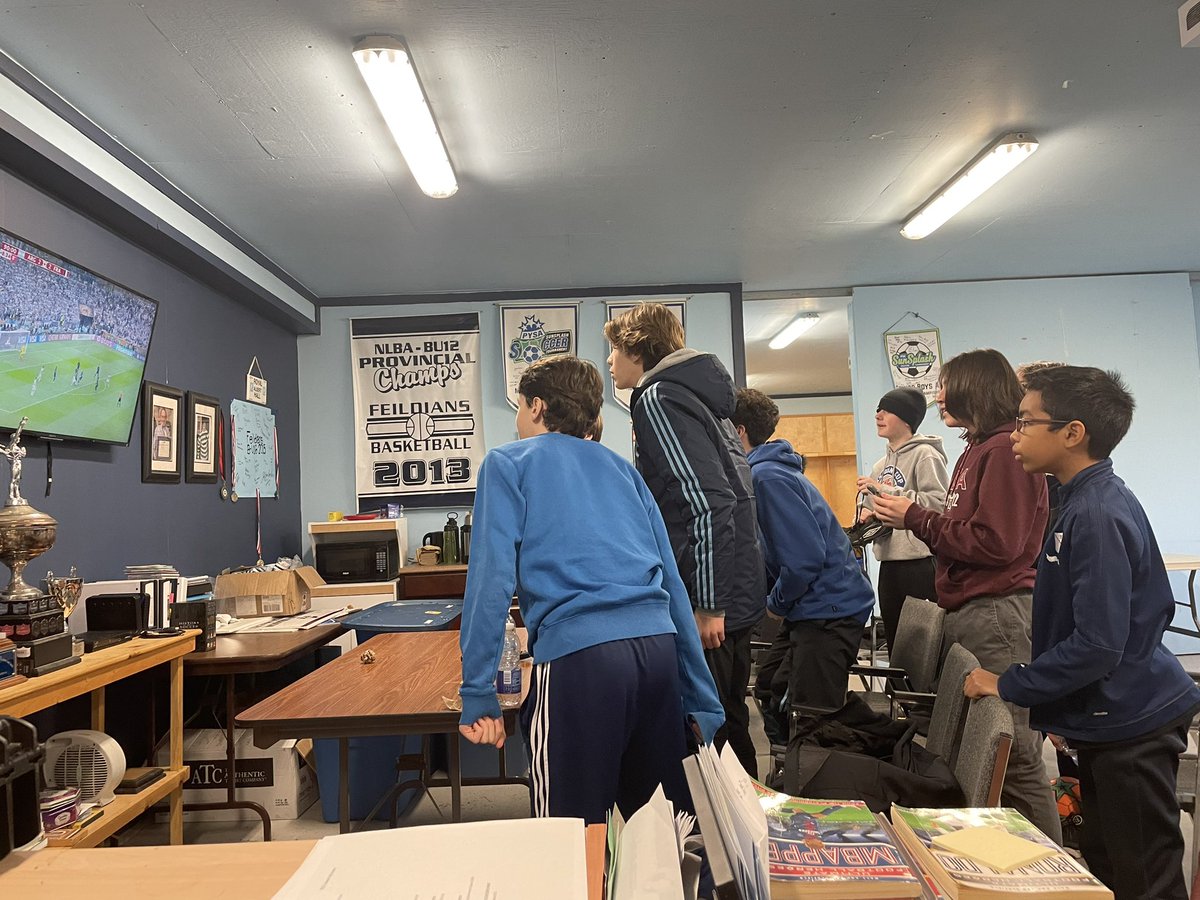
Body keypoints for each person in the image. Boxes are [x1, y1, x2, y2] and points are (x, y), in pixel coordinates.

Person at [965, 365, 1200, 900]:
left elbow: (1098, 643)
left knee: (1143, 875)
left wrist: (1008, 683)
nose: (1014, 435)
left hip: (1134, 721)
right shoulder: (1075, 497)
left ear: (1073, 433)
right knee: (1109, 861)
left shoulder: (1094, 512)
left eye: (1026, 422)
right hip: (1112, 714)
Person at [457, 355, 723, 824]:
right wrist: (701, 695)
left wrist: (478, 691)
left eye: (519, 408)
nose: (518, 420)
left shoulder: (507, 462)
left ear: (537, 406)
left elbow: (490, 582)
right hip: (657, 657)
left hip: (582, 664)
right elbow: (673, 587)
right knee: (661, 835)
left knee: (569, 833)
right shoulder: (625, 471)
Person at [871, 348, 1060, 841]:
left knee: (1013, 755)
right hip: (972, 608)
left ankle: (1056, 881)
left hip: (995, 612)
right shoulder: (979, 448)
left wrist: (914, 516)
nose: (937, 396)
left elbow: (997, 544)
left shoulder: (1002, 451)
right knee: (986, 753)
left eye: (946, 386)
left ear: (974, 389)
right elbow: (964, 527)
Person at [605, 302, 766, 777]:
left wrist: (708, 604)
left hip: (711, 596)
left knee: (708, 735)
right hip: (737, 586)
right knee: (732, 722)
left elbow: (708, 502)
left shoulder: (659, 398)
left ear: (638, 349)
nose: (610, 362)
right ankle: (748, 839)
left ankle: (728, 844)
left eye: (614, 350)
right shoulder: (703, 399)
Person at [731, 389, 875, 746]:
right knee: (769, 688)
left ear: (738, 431)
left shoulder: (768, 478)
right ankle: (790, 777)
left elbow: (804, 560)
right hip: (812, 608)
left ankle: (817, 790)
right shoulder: (764, 473)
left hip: (830, 609)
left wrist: (774, 605)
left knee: (812, 719)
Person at [857, 387, 949, 655]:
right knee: (898, 647)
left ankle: (925, 697)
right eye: (877, 409)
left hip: (919, 565)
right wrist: (868, 518)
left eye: (887, 410)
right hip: (889, 565)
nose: (878, 415)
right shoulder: (879, 466)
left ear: (907, 418)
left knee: (923, 650)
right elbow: (875, 508)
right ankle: (900, 698)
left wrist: (885, 491)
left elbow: (939, 504)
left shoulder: (925, 455)